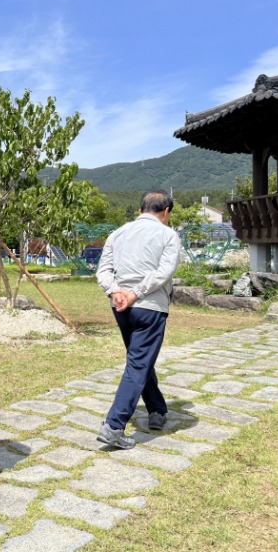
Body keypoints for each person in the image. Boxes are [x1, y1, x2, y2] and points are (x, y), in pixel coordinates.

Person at [95, 190, 181, 449]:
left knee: (140, 359)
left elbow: (103, 270)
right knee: (139, 363)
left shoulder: (117, 233)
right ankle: (114, 425)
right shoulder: (168, 235)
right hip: (150, 306)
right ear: (166, 212)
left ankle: (156, 410)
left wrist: (114, 291)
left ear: (140, 210)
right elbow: (164, 272)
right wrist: (136, 293)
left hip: (120, 306)